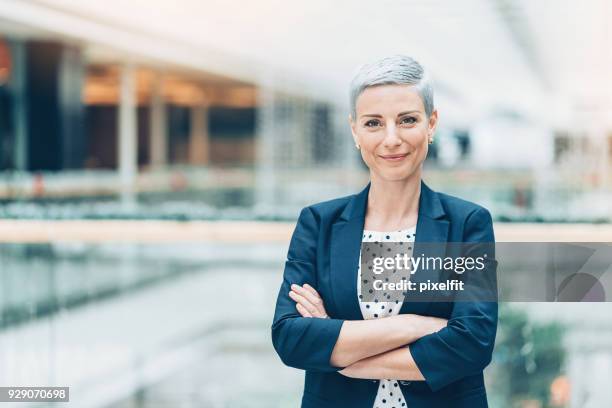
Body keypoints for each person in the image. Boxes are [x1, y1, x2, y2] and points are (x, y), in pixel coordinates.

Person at [271, 55, 498, 408]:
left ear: (431, 124)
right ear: (355, 131)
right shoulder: (318, 224)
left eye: (407, 120)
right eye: (374, 123)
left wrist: (343, 355)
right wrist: (412, 325)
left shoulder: (467, 224)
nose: (391, 139)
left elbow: (472, 344)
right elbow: (290, 337)